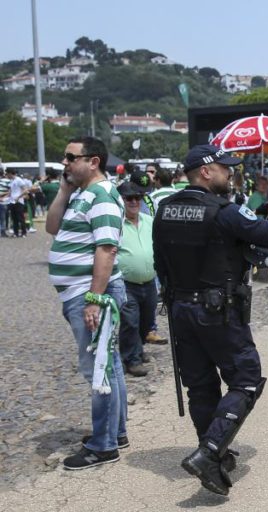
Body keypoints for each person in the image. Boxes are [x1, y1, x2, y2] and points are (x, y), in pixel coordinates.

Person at [152, 144, 268, 496]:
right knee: (246, 380)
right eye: (225, 168)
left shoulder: (164, 209)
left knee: (199, 385)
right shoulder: (222, 211)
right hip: (217, 311)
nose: (231, 174)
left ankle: (213, 454)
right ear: (205, 172)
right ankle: (210, 450)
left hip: (181, 309)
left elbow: (160, 265)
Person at [46, 136, 129, 469]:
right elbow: (52, 227)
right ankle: (115, 431)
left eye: (70, 157)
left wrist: (94, 299)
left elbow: (106, 249)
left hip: (90, 293)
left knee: (99, 370)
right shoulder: (82, 193)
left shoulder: (103, 196)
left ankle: (104, 445)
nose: (65, 163)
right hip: (80, 292)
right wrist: (64, 191)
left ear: (93, 161)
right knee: (110, 365)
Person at [116, 181, 157, 377]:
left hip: (149, 282)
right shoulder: (116, 223)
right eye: (128, 198)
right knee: (130, 321)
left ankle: (137, 350)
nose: (134, 202)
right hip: (126, 283)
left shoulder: (149, 221)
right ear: (120, 200)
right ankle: (131, 360)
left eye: (137, 198)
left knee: (146, 321)